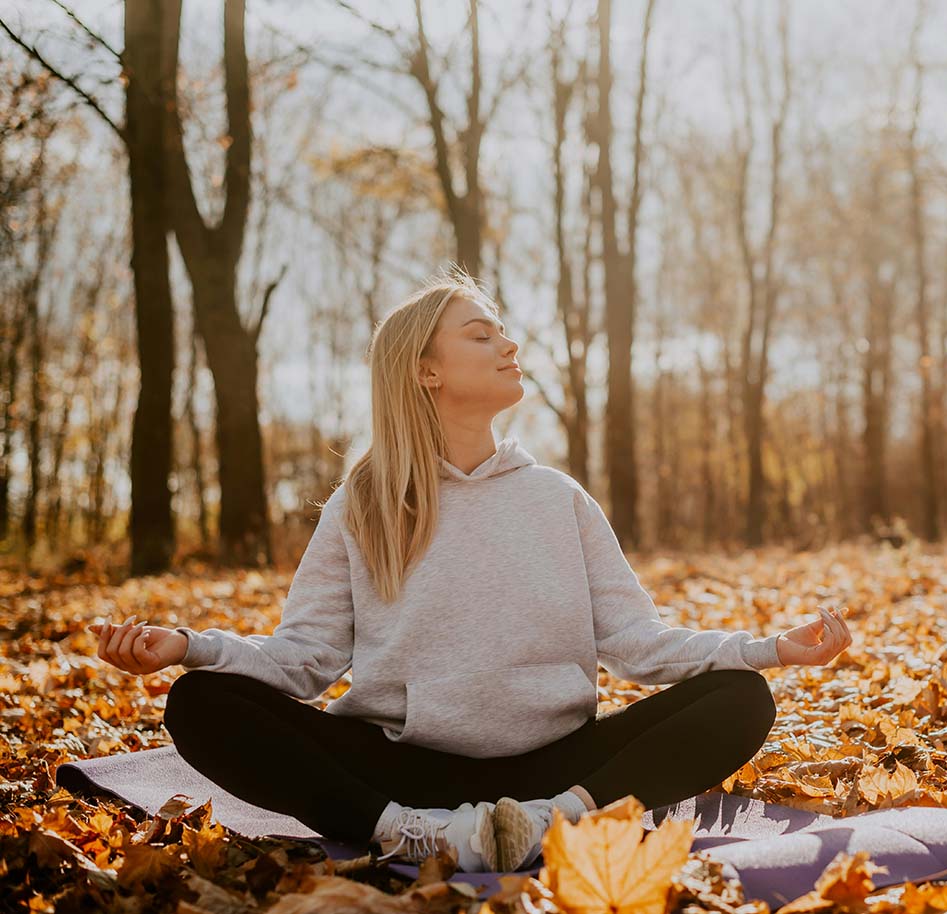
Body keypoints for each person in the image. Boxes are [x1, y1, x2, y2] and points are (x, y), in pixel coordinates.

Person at [88, 265, 853, 874]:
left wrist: (771, 650)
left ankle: (555, 825)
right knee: (199, 706)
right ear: (427, 370)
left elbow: (638, 645)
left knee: (740, 700)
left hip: (558, 771)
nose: (509, 345)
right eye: (482, 334)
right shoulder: (364, 504)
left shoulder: (560, 499)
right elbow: (306, 662)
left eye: (504, 333)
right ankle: (413, 837)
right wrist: (189, 646)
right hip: (404, 775)